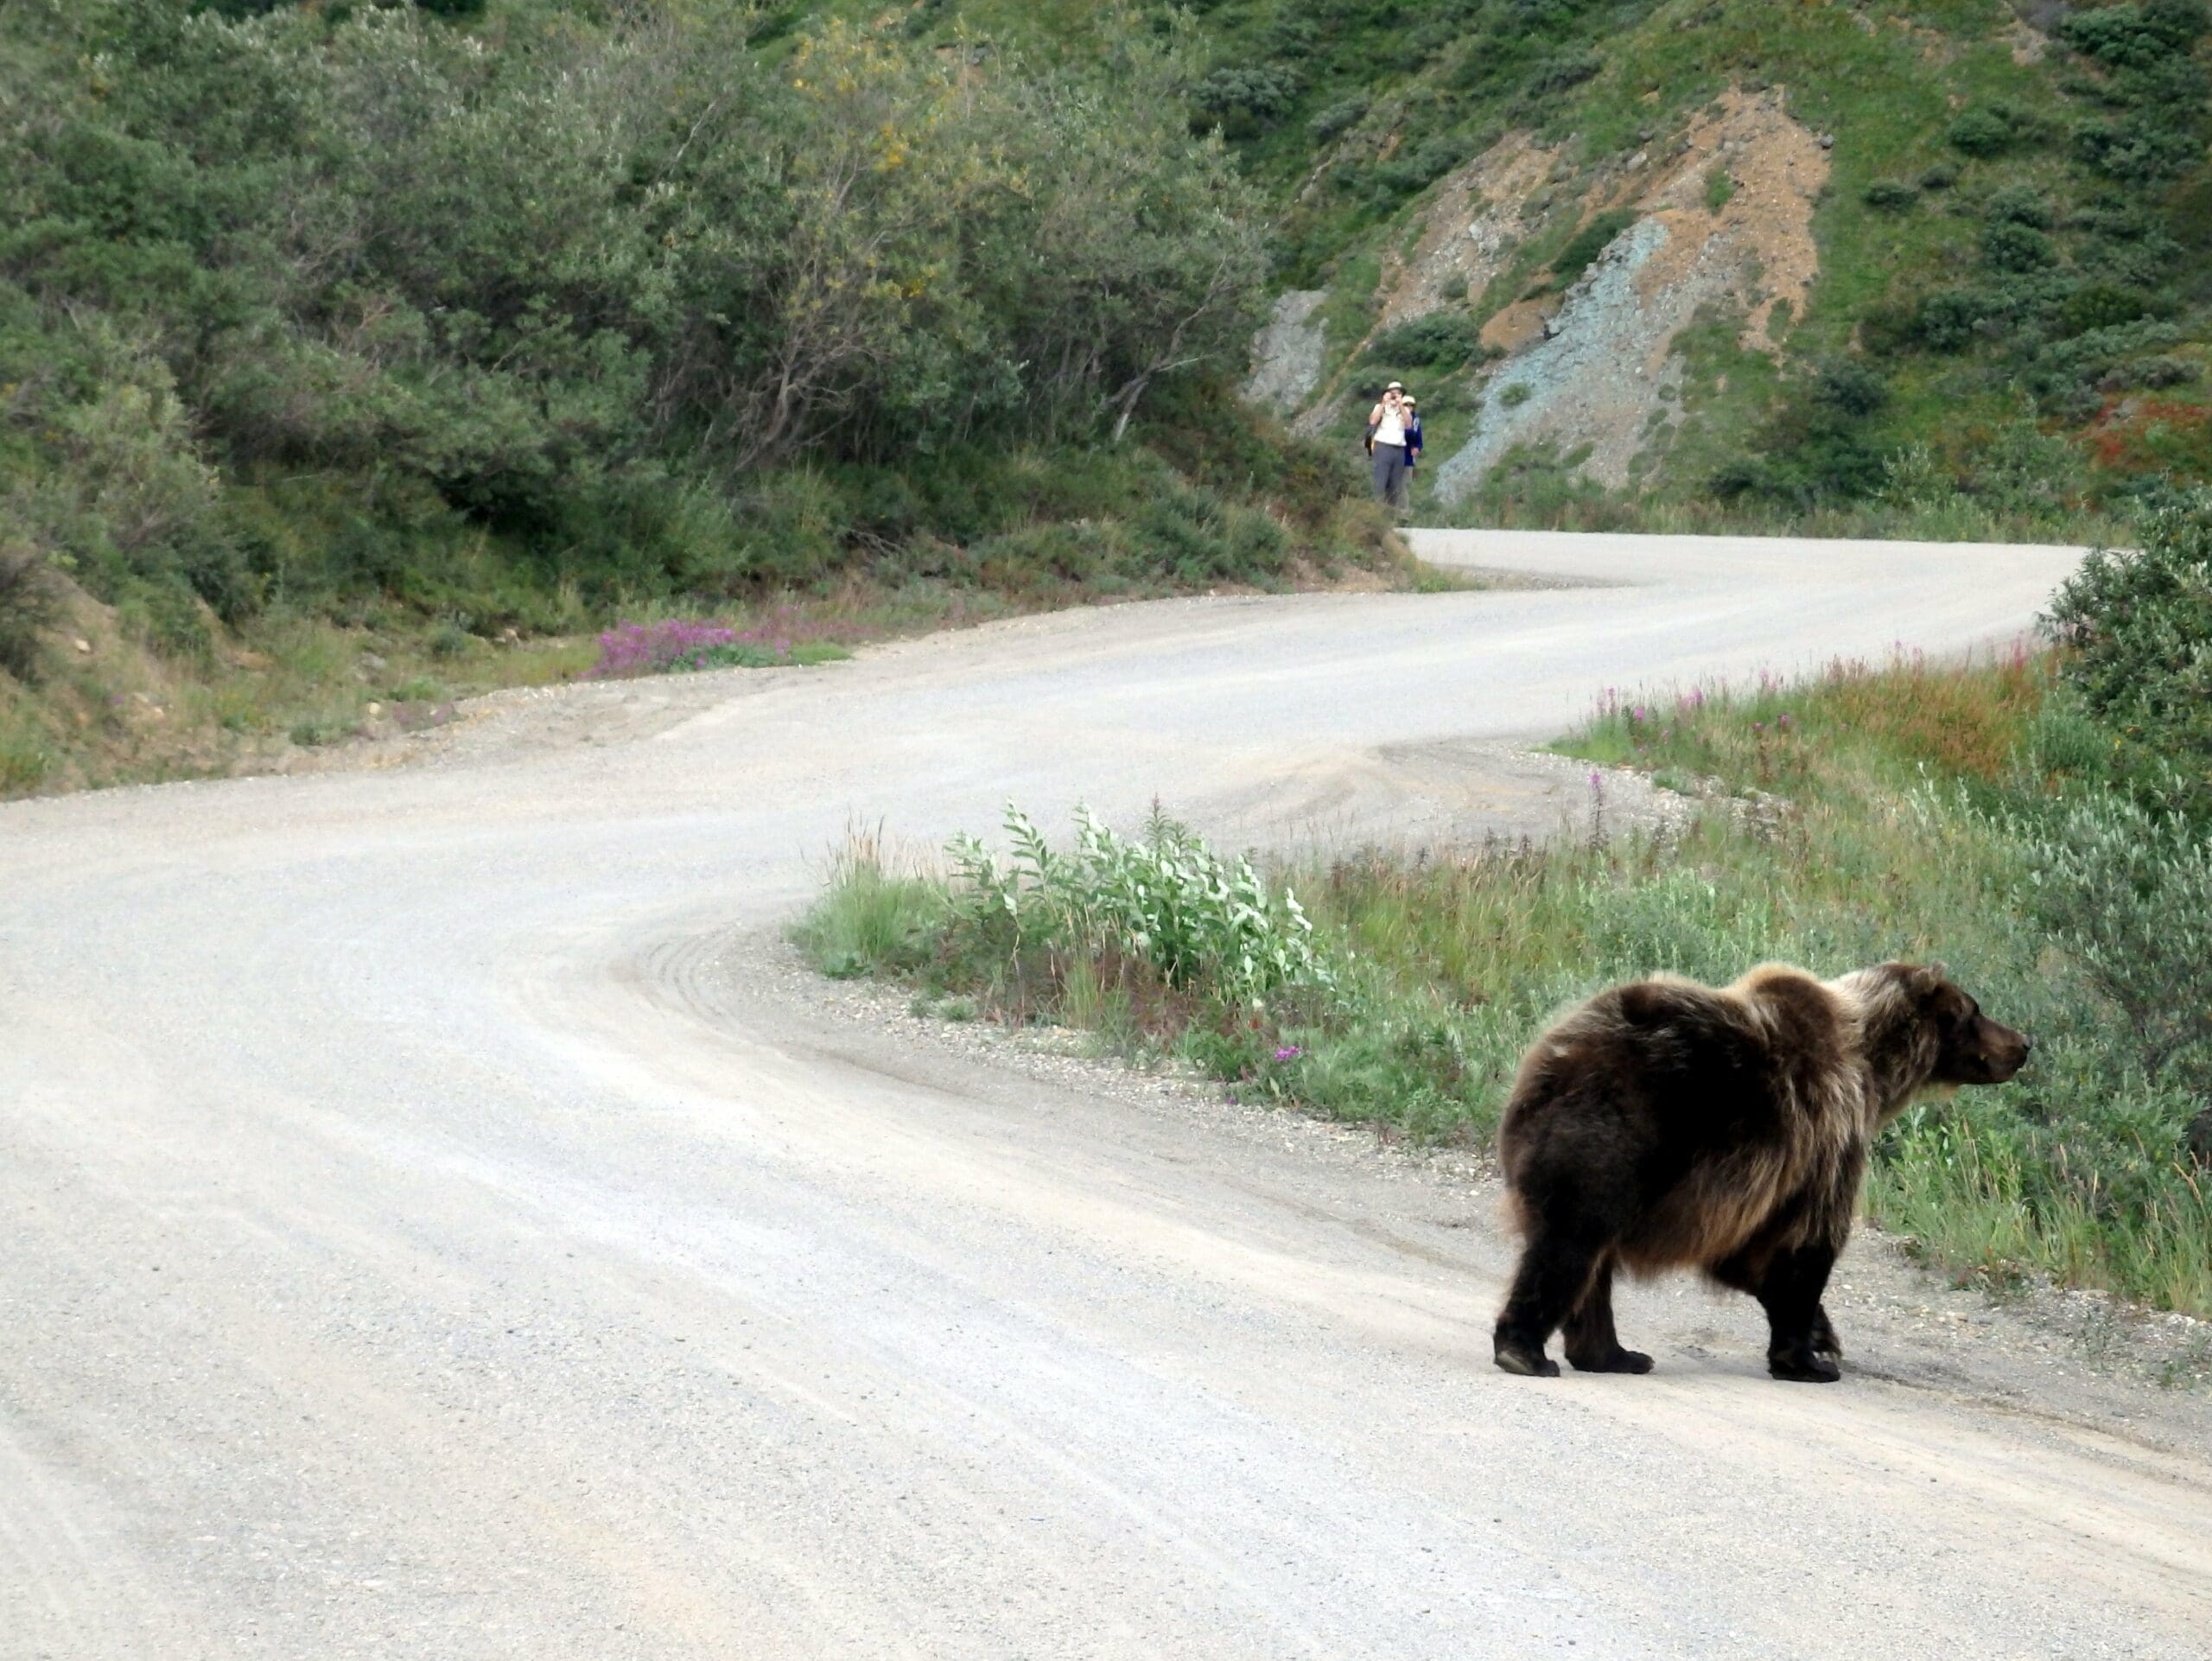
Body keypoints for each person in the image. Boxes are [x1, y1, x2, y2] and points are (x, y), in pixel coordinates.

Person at [1366, 382, 1410, 512]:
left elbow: (1408, 425)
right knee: (1380, 482)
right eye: (1392, 393)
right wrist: (1383, 404)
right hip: (1383, 448)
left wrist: (1401, 405)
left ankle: (1391, 515)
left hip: (1399, 450)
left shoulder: (1404, 410)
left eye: (1398, 393)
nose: (1395, 396)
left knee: (1395, 485)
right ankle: (1377, 513)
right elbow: (1373, 421)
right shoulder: (1379, 407)